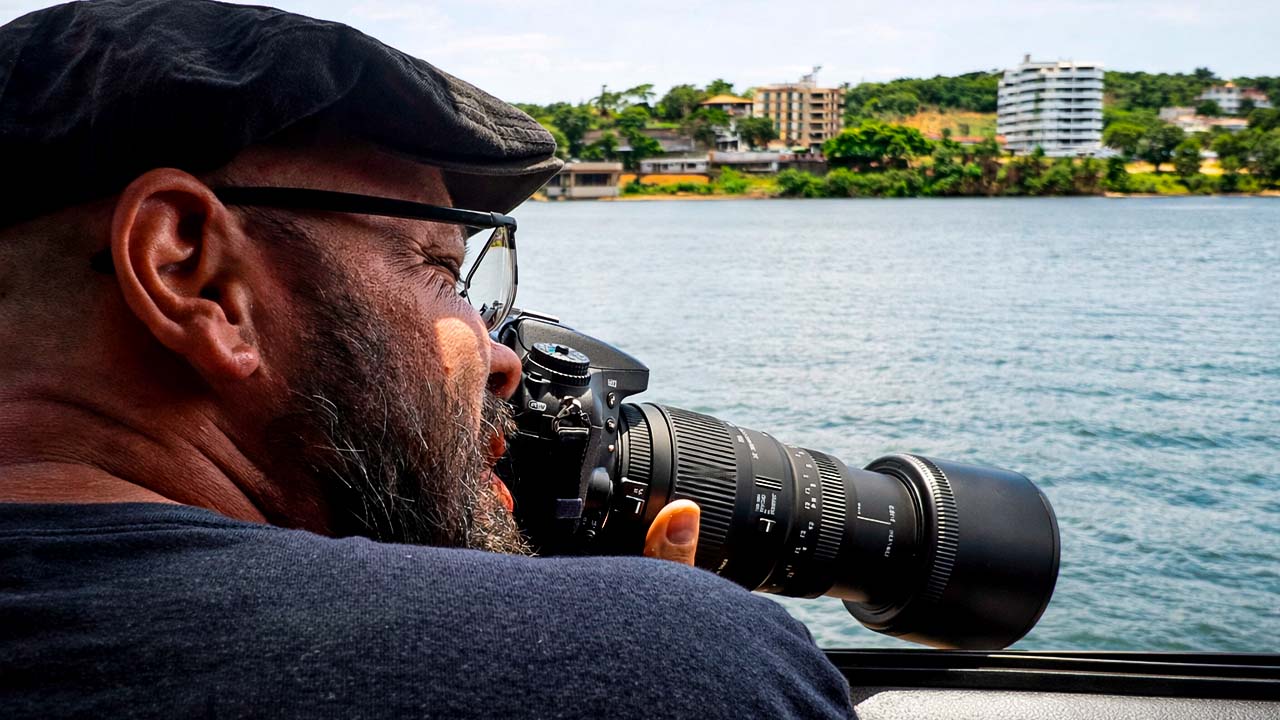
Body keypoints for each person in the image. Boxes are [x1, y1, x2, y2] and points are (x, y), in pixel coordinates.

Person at [0, 1, 854, 717]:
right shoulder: (664, 662)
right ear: (193, 272)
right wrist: (640, 643)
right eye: (444, 271)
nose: (502, 359)